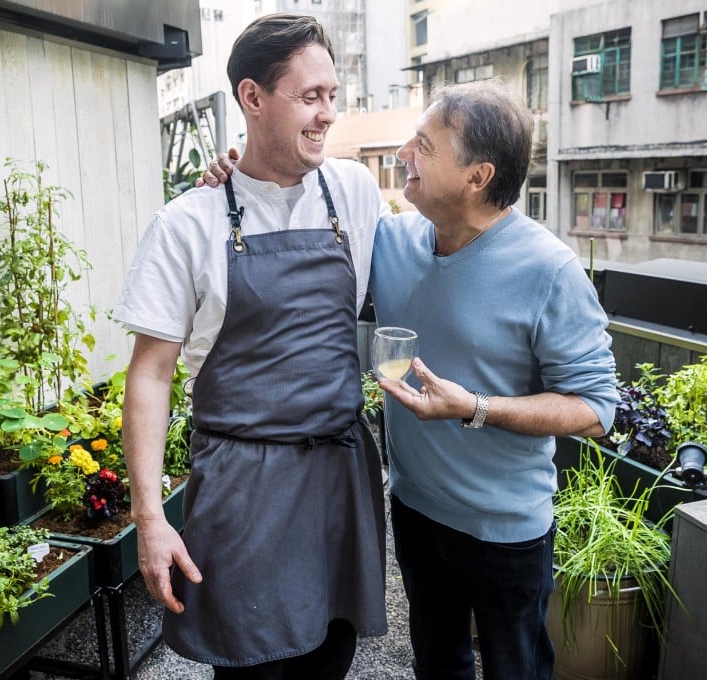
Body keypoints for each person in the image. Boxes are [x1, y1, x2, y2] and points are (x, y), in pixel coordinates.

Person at [201, 80, 618, 679]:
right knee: (439, 666)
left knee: (516, 670)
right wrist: (235, 179)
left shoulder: (550, 270)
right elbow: (296, 234)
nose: (403, 155)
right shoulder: (388, 243)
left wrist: (475, 407)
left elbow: (597, 408)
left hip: (505, 530)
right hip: (417, 513)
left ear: (477, 176)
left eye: (424, 145)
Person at [114, 13, 388, 679]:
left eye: (332, 95)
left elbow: (448, 229)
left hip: (336, 478)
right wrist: (150, 519)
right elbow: (149, 377)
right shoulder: (187, 222)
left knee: (333, 654)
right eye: (309, 97)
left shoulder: (352, 192)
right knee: (252, 665)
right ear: (252, 97)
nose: (327, 115)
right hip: (244, 490)